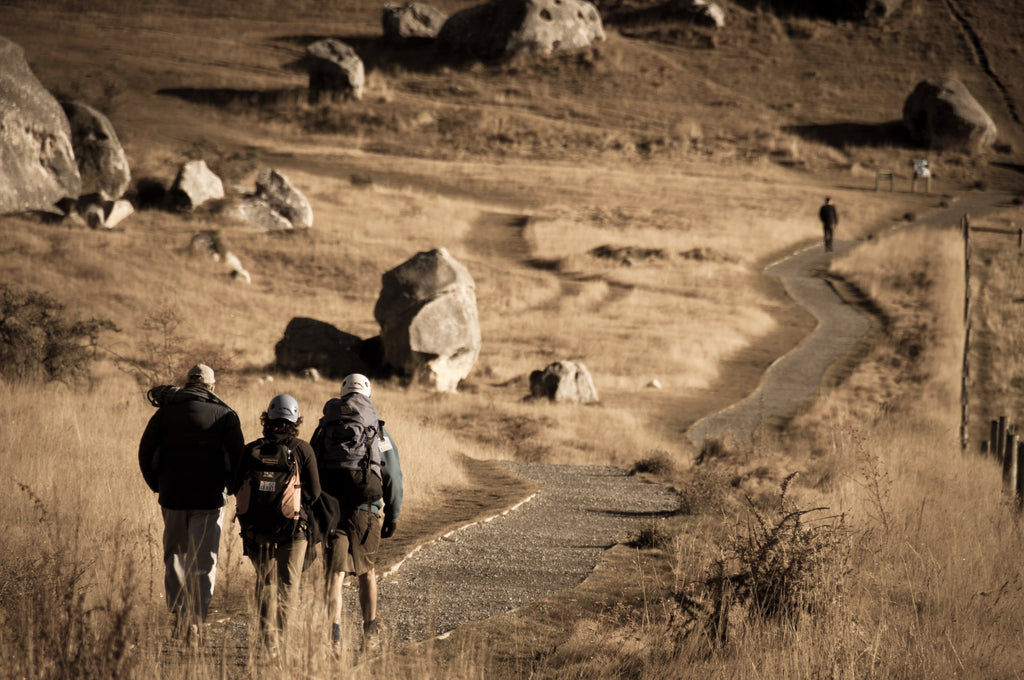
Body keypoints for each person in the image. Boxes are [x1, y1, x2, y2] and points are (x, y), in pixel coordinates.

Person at [138, 363, 245, 641]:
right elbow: (238, 460)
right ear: (211, 387)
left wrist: (157, 485)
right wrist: (231, 488)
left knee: (175, 555)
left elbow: (145, 452)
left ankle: (176, 615)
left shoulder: (164, 414)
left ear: (188, 384)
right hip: (209, 499)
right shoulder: (225, 415)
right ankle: (195, 620)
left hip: (172, 497)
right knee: (203, 560)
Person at [311, 373, 404, 654]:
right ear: (368, 394)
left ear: (342, 393)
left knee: (335, 574)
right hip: (366, 509)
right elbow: (393, 479)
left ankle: (334, 638)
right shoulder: (378, 431)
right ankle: (370, 634)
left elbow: (311, 466)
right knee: (367, 572)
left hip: (331, 510)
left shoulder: (325, 426)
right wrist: (393, 516)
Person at [232, 394, 322, 653]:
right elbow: (314, 493)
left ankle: (266, 641)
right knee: (288, 585)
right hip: (293, 530)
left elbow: (233, 486)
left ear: (267, 418)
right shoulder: (302, 449)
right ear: (296, 419)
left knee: (266, 582)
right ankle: (281, 645)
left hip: (256, 530)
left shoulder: (250, 449)